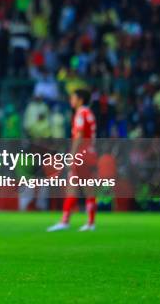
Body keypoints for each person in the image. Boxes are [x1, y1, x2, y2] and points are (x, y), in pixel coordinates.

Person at [47, 89, 98, 232]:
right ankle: (90, 222)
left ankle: (65, 221)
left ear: (80, 99)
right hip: (90, 153)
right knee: (88, 189)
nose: (71, 100)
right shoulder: (89, 113)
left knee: (72, 187)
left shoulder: (81, 113)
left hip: (81, 153)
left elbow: (79, 135)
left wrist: (72, 155)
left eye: (73, 98)